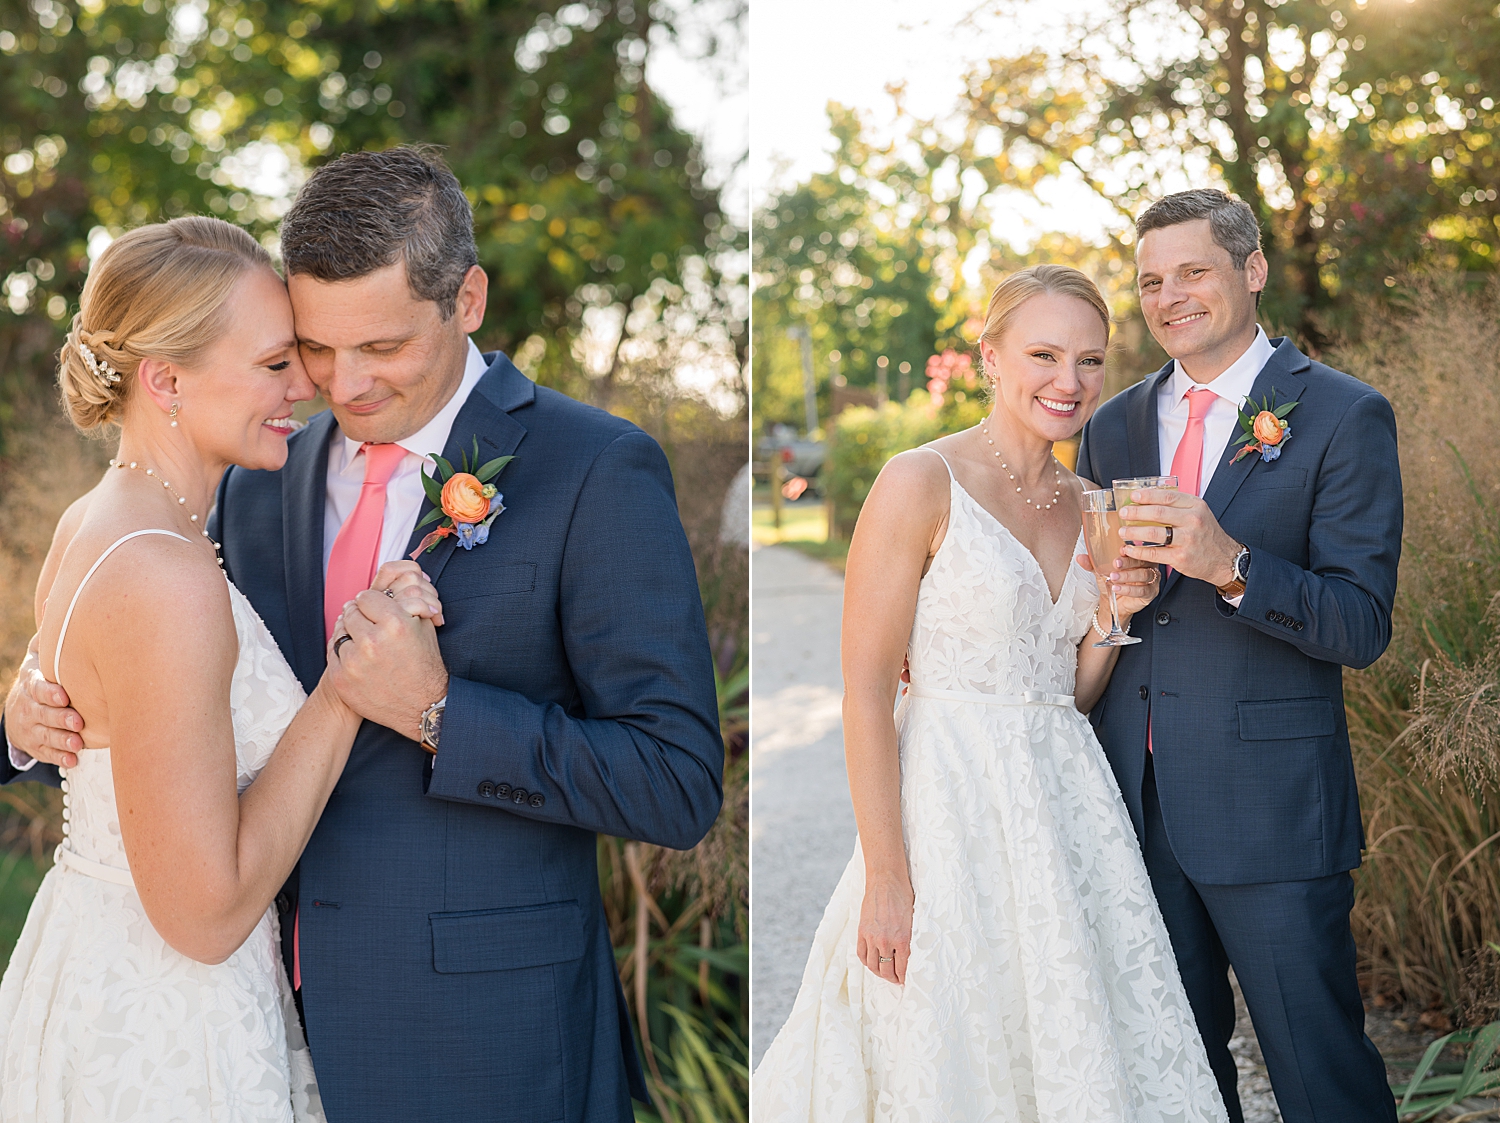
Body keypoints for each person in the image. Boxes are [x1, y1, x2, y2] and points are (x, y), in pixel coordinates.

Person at [4, 147, 725, 1122]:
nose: (341, 386)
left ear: (465, 299)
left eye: (380, 347)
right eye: (311, 346)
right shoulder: (253, 469)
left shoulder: (594, 470)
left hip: (482, 1040)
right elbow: (172, 710)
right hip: (249, 1023)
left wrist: (439, 713)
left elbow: (675, 782)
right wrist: (36, 716)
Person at [752, 264, 1229, 1122]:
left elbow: (1068, 695)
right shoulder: (917, 481)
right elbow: (864, 692)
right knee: (948, 1037)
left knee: (1072, 1031)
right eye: (1044, 353)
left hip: (1066, 810)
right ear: (991, 357)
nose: (1068, 381)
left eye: (1089, 360)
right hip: (949, 804)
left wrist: (1112, 617)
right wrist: (889, 880)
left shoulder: (1088, 501)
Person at [0, 215, 445, 1120]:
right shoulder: (167, 573)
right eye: (274, 363)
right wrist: (348, 686)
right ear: (165, 379)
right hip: (169, 1030)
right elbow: (204, 917)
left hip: (96, 971)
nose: (307, 387)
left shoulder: (99, 520)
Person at [1074, 188, 1402, 1123]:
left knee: (1318, 1070)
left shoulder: (1342, 415)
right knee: (1173, 1070)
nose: (1169, 295)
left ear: (1250, 272)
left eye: (1192, 272)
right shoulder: (1115, 425)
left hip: (1272, 811)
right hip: (1130, 804)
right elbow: (1091, 601)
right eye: (1149, 281)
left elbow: (1360, 623)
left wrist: (1230, 565)